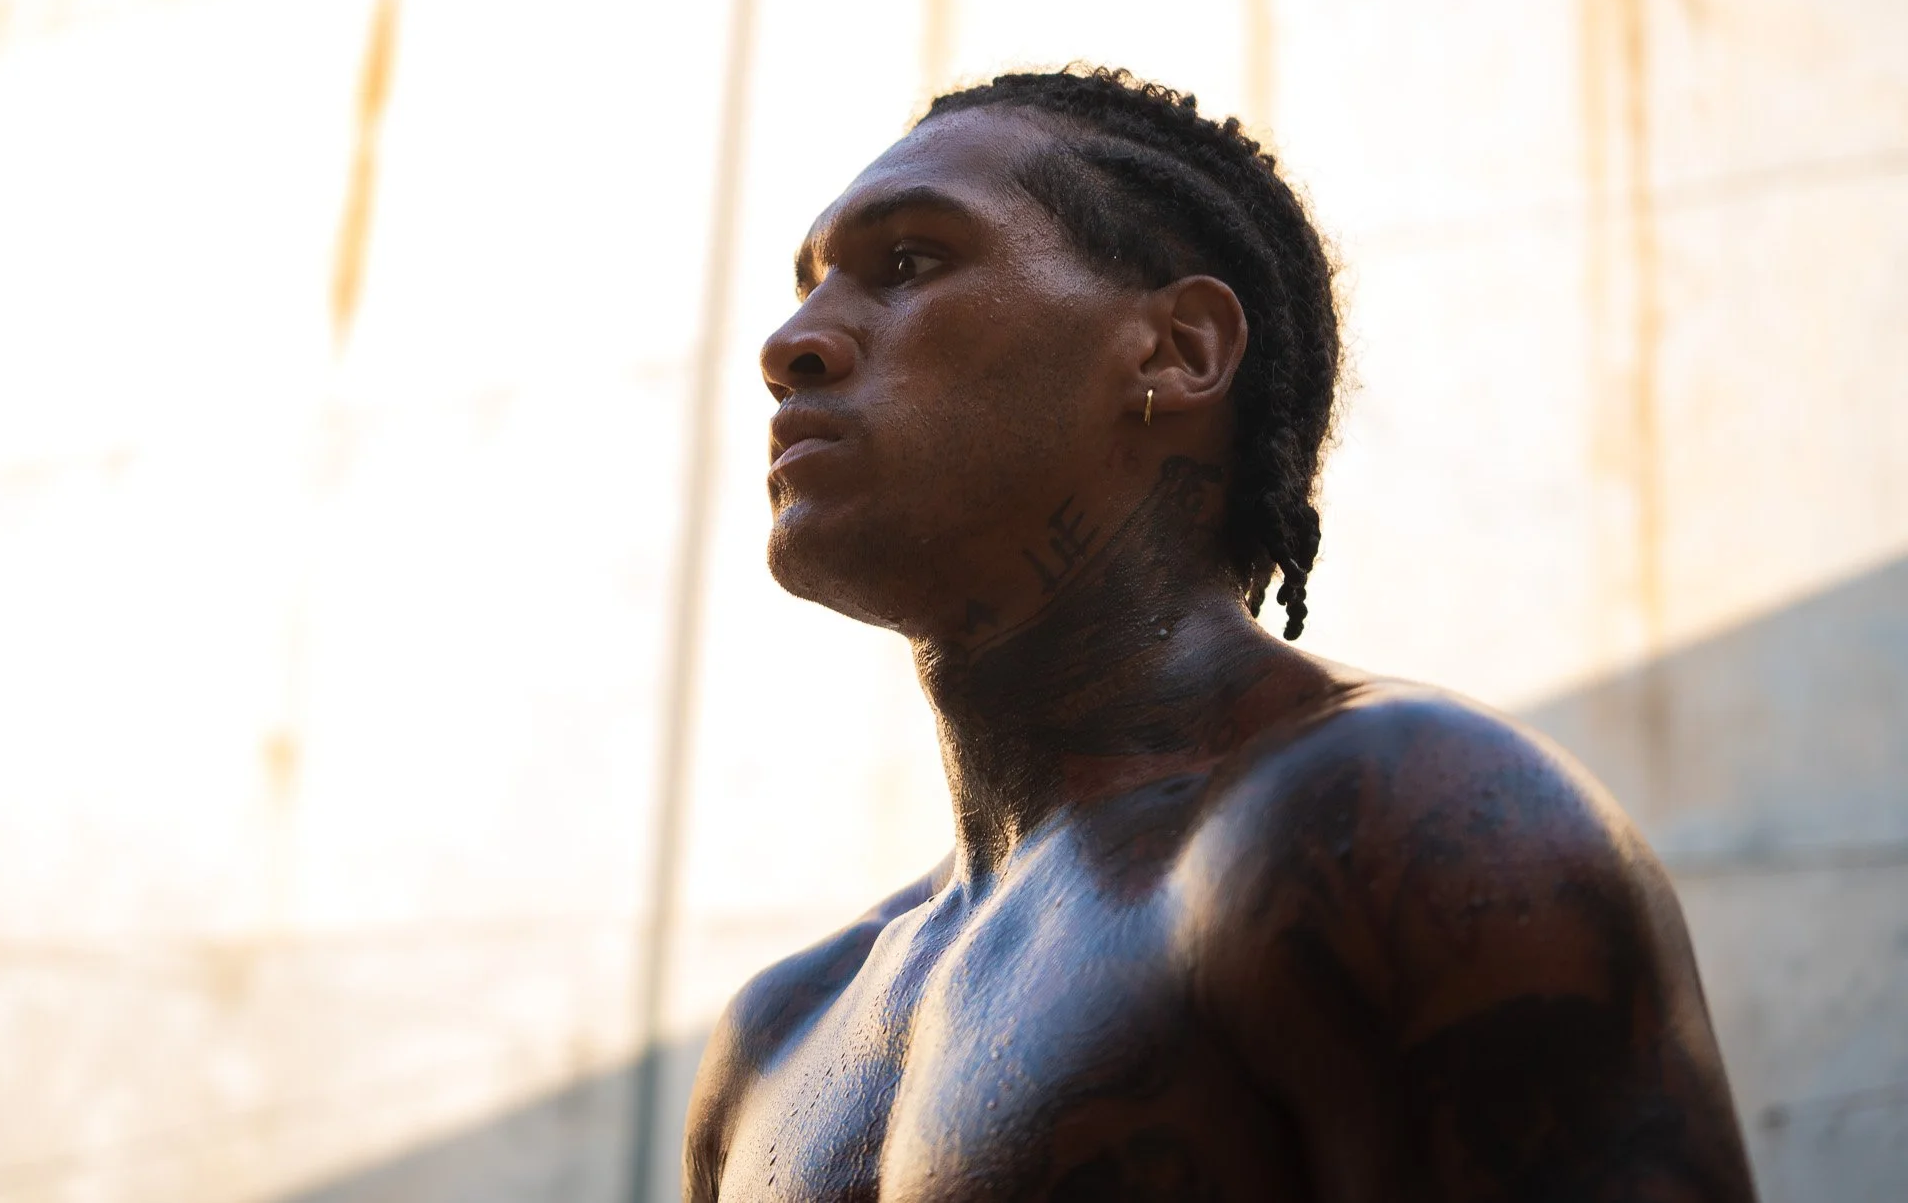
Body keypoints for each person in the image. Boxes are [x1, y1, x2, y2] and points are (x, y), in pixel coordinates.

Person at [682, 66, 1757, 1201]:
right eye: (806, 283)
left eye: (908, 263)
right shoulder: (778, 1035)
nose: (789, 344)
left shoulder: (1391, 826)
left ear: (1177, 350)